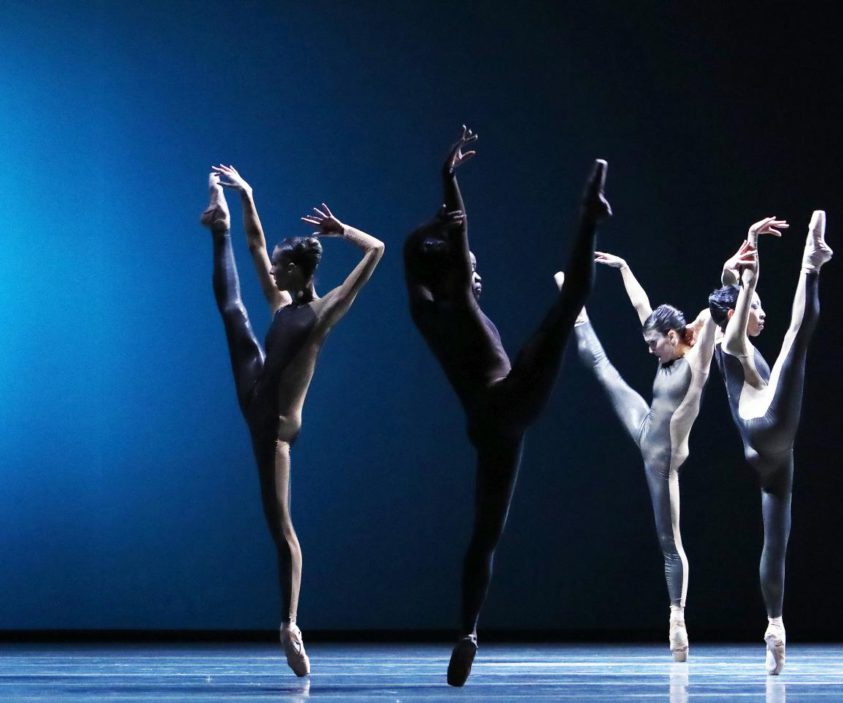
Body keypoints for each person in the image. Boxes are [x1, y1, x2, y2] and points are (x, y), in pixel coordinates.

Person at [403, 127, 611, 686]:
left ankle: (468, 630)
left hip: (488, 424)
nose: (475, 268)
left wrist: (433, 219)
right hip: (507, 401)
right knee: (569, 303)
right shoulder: (460, 302)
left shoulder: (425, 314)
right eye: (467, 264)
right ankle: (588, 215)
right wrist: (447, 184)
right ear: (452, 270)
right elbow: (459, 231)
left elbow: (414, 258)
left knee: (485, 534)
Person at [199, 166, 385, 676]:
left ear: (302, 274)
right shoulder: (281, 303)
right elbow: (258, 247)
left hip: (275, 429)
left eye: (283, 268)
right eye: (278, 267)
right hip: (254, 393)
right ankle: (218, 227)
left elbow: (377, 252)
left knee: (281, 529)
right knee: (235, 312)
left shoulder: (322, 313)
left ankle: (289, 624)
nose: (275, 273)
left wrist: (343, 230)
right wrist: (248, 198)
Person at [556, 250, 717, 662]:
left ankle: (676, 618)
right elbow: (641, 306)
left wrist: (737, 273)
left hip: (662, 462)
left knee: (669, 541)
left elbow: (710, 316)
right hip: (646, 429)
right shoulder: (663, 341)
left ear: (672, 336)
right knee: (601, 366)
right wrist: (626, 267)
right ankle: (573, 304)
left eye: (653, 344)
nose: (649, 350)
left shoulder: (696, 360)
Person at [708, 211, 831, 674]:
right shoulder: (731, 340)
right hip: (769, 426)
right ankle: (810, 263)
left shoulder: (723, 337)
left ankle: (775, 625)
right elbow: (735, 317)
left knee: (775, 542)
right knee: (797, 337)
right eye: (756, 305)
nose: (761, 311)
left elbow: (724, 295)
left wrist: (741, 254)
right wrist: (749, 277)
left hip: (762, 450)